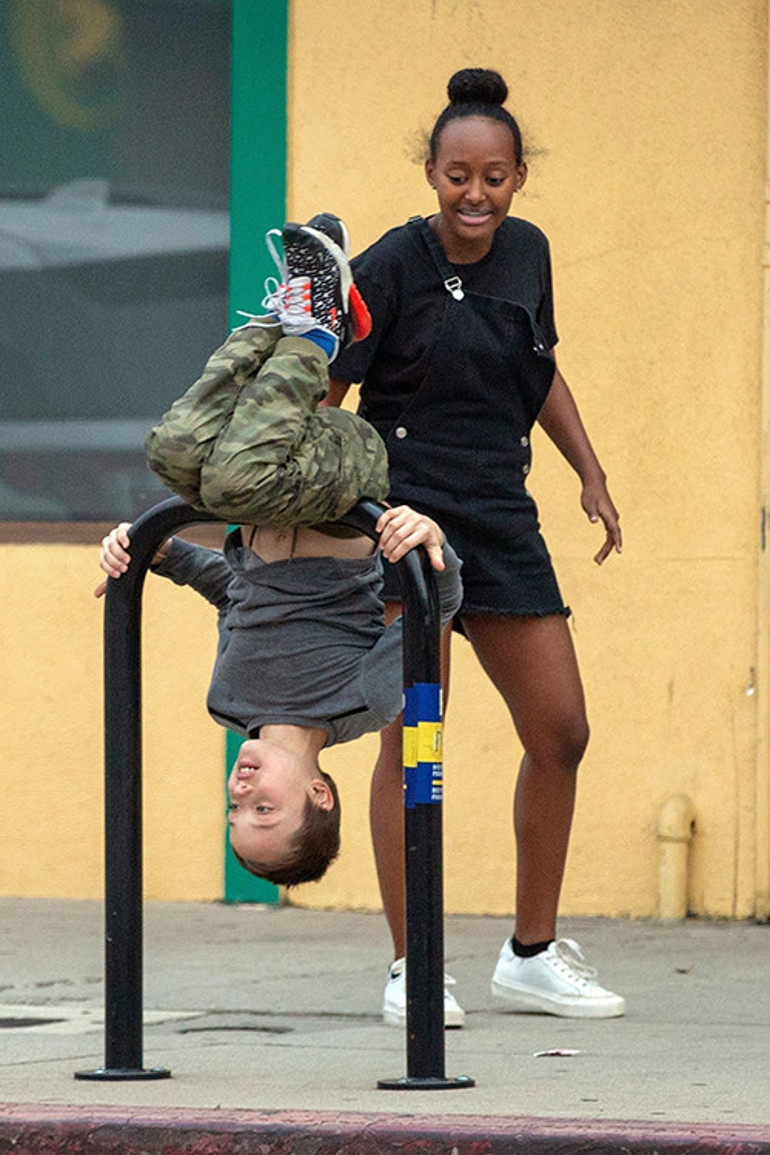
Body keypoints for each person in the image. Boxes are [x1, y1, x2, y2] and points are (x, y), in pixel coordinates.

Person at [326, 69, 625, 1026]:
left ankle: (530, 954)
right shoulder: (387, 266)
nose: (475, 194)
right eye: (458, 175)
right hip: (408, 524)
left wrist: (590, 471)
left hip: (500, 516)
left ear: (519, 179)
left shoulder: (528, 253)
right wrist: (334, 512)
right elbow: (327, 394)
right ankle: (412, 965)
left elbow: (536, 368)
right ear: (431, 172)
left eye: (494, 177)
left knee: (562, 731)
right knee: (416, 742)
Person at [96, 215, 462, 889]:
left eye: (236, 807)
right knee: (237, 477)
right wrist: (429, 537)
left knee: (172, 453)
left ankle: (282, 317)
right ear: (319, 792)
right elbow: (438, 599)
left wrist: (155, 552)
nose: (243, 788)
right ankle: (320, 327)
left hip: (267, 478)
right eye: (264, 806)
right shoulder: (364, 702)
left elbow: (234, 590)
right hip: (339, 469)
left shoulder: (227, 700)